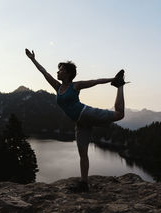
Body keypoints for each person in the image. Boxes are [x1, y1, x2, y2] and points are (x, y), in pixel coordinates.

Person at [25, 48, 126, 192]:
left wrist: (113, 79)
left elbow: (94, 81)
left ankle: (119, 85)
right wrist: (33, 59)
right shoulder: (58, 87)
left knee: (119, 114)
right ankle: (84, 184)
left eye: (60, 69)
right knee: (82, 153)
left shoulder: (75, 86)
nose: (57, 72)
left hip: (86, 113)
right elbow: (44, 72)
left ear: (67, 72)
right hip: (80, 122)